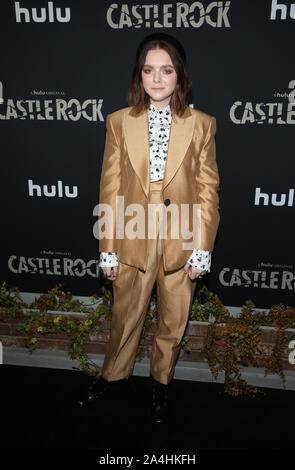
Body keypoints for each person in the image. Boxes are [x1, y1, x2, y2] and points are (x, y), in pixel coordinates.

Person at [79, 33, 220, 424]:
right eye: (148, 70)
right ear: (138, 75)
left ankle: (161, 385)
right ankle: (112, 377)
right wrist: (107, 247)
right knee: (125, 317)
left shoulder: (202, 124)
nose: (157, 78)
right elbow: (109, 188)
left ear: (180, 76)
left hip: (182, 237)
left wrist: (202, 247)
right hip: (132, 235)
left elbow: (208, 191)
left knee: (173, 322)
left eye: (166, 70)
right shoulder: (119, 122)